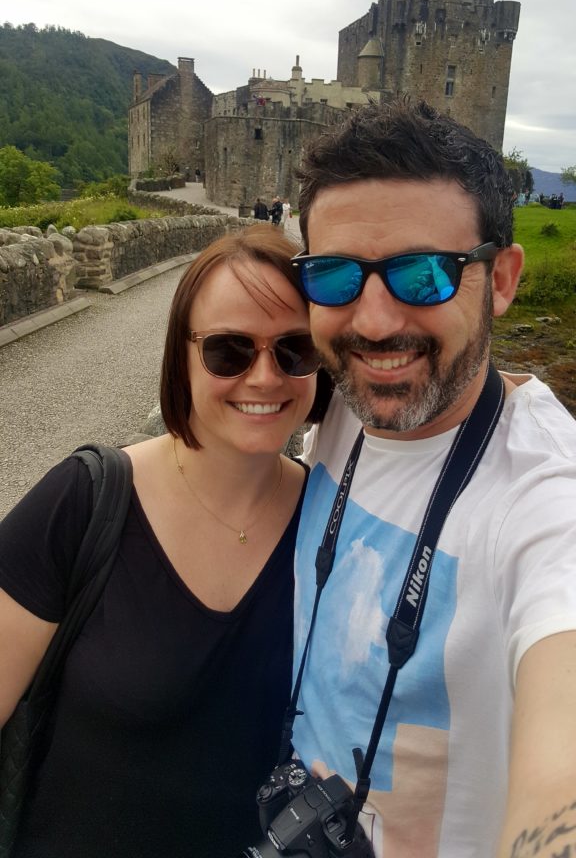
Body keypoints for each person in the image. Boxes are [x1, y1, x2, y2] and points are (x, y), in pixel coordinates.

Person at [289, 100, 576, 858]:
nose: (376, 322)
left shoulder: (549, 500)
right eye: (336, 275)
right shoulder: (333, 395)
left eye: (423, 276)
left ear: (502, 279)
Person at [0, 225, 329, 858]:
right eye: (229, 351)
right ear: (180, 354)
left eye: (295, 349)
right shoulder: (86, 501)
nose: (265, 377)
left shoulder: (335, 527)